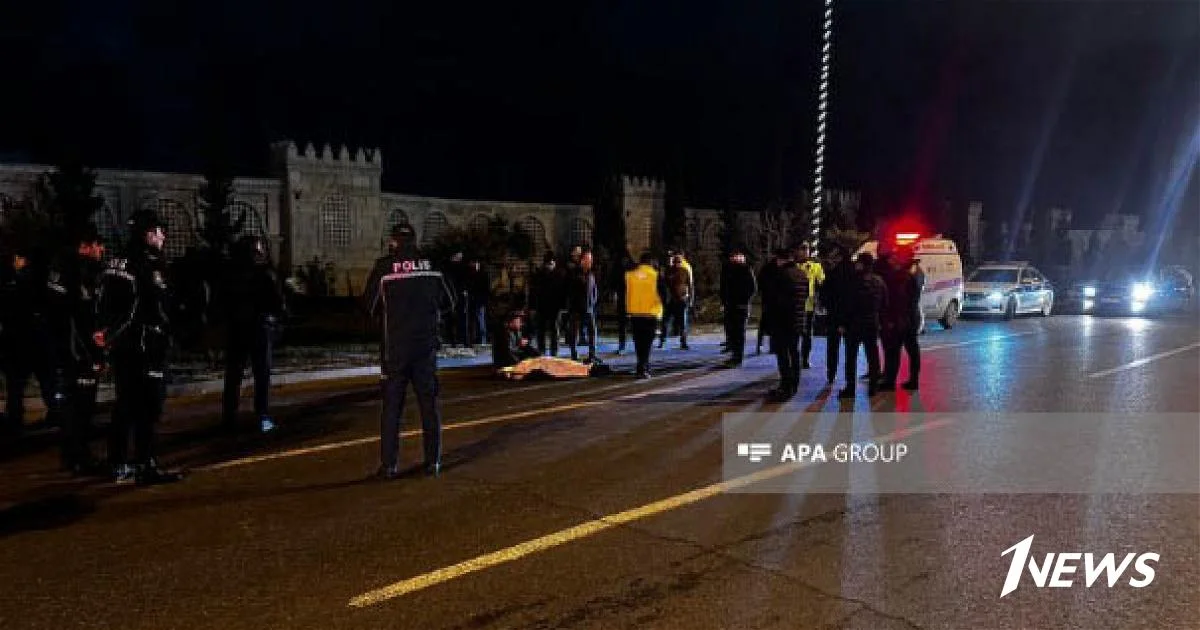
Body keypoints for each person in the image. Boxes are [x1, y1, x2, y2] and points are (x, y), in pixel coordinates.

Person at [95, 209, 182, 485]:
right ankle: (146, 464)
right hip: (144, 346)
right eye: (158, 231)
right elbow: (151, 306)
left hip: (123, 347)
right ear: (147, 234)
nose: (163, 236)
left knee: (125, 405)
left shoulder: (116, 260)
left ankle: (119, 463)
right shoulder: (147, 263)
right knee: (148, 406)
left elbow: (104, 304)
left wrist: (108, 338)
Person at [363, 224, 455, 479]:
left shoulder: (384, 268)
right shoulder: (433, 267)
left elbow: (368, 306)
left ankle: (389, 465)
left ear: (394, 242)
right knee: (428, 406)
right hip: (425, 347)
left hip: (395, 349)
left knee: (392, 408)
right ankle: (432, 462)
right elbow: (451, 302)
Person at [46, 225, 108, 474]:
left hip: (61, 349)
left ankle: (72, 457)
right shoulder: (78, 272)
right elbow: (79, 320)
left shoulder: (60, 268)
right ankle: (80, 458)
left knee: (72, 407)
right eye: (98, 244)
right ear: (86, 245)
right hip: (76, 352)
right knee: (81, 407)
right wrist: (91, 355)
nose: (101, 250)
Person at [222, 235, 287, 433]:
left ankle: (229, 418)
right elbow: (277, 302)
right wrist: (278, 320)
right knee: (261, 375)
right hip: (259, 329)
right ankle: (262, 416)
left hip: (238, 329)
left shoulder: (231, 273)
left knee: (234, 375)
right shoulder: (264, 273)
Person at [839, 252, 888, 399]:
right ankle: (873, 387)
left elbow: (847, 304)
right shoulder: (879, 282)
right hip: (872, 323)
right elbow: (885, 304)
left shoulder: (853, 281)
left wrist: (842, 323)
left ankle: (850, 388)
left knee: (851, 357)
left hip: (854, 325)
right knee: (872, 356)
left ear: (862, 264)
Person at [765, 248, 809, 400]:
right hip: (798, 320)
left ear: (781, 259)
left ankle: (785, 385)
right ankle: (794, 384)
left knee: (783, 355)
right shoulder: (802, 274)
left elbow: (776, 300)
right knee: (795, 352)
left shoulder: (781, 275)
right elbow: (806, 295)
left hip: (783, 321)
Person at [880, 248, 922, 390]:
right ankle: (913, 380)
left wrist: (892, 319)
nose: (895, 259)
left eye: (898, 256)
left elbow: (899, 299)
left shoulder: (905, 274)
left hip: (902, 318)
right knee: (912, 350)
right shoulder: (917, 271)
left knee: (894, 350)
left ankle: (890, 381)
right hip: (912, 316)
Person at [625, 252, 665, 379]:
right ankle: (643, 366)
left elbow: (624, 292)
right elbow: (664, 294)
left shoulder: (629, 275)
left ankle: (640, 365)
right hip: (650, 313)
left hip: (635, 314)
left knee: (638, 341)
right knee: (647, 343)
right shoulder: (655, 276)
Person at [819, 244, 853, 386]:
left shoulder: (832, 274)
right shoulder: (854, 273)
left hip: (834, 317)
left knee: (833, 348)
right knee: (851, 350)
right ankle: (850, 379)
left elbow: (825, 295)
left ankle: (831, 374)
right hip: (852, 318)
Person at [719, 249, 756, 367]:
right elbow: (723, 288)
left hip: (741, 305)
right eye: (733, 256)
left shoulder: (746, 270)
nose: (735, 258)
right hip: (730, 305)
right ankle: (734, 353)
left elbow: (753, 288)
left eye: (738, 256)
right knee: (731, 330)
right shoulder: (727, 270)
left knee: (739, 331)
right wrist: (724, 302)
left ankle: (737, 357)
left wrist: (744, 300)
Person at [528, 252, 565, 357]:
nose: (550, 265)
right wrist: (532, 307)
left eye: (551, 263)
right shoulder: (539, 274)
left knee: (554, 330)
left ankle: (554, 351)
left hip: (554, 307)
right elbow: (533, 291)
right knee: (541, 330)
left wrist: (562, 307)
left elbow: (562, 292)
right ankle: (542, 351)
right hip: (542, 306)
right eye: (548, 263)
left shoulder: (559, 274)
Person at [795, 243, 825, 370]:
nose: (804, 252)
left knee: (807, 333)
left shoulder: (815, 266)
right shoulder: (794, 265)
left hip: (809, 305)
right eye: (801, 249)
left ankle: (805, 358)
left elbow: (822, 281)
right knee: (795, 333)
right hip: (795, 304)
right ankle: (794, 357)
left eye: (806, 249)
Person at [566, 250, 599, 362]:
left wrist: (593, 301)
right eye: (588, 259)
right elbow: (570, 291)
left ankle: (592, 354)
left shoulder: (591, 274)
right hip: (576, 309)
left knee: (592, 331)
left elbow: (594, 290)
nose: (590, 261)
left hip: (589, 308)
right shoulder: (574, 273)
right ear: (582, 260)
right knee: (574, 332)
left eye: (591, 259)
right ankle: (574, 354)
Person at [659, 253, 693, 350]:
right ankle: (663, 340)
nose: (677, 264)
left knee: (683, 322)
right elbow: (664, 285)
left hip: (682, 299)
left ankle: (683, 342)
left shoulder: (685, 271)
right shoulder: (668, 271)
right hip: (671, 300)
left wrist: (690, 298)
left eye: (679, 262)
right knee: (666, 321)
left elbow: (690, 285)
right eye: (676, 262)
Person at [755, 252, 781, 355]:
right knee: (772, 323)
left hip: (768, 299)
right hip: (772, 300)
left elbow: (760, 283)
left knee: (765, 323)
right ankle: (771, 345)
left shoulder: (766, 268)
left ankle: (762, 344)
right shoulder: (775, 269)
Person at [466, 258, 490, 345]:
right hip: (473, 301)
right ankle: (475, 340)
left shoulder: (482, 274)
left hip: (480, 301)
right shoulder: (471, 274)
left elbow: (485, 289)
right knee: (474, 322)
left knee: (481, 322)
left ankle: (482, 341)